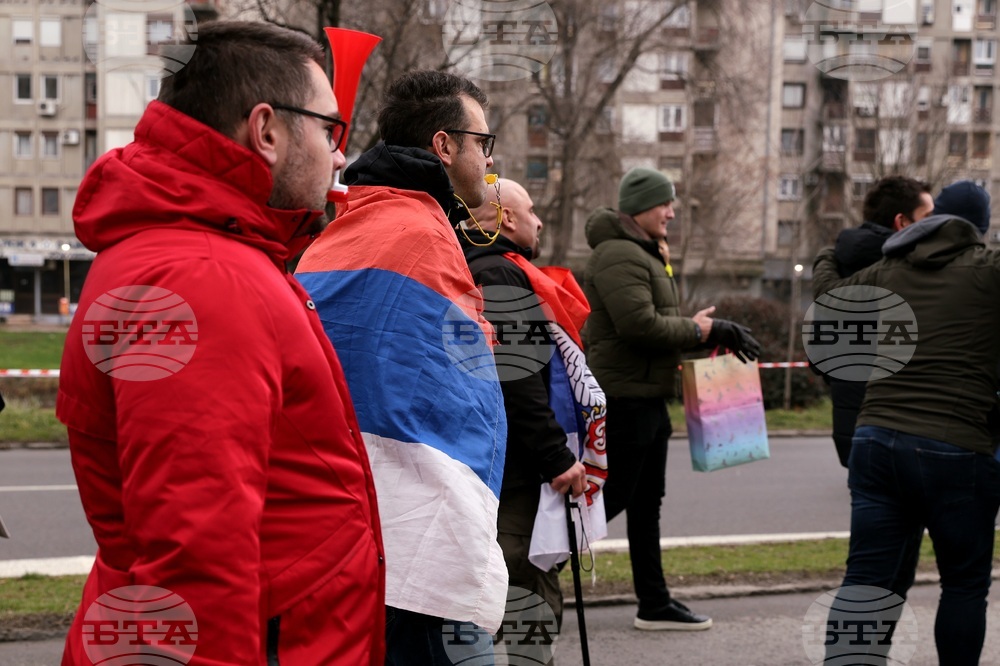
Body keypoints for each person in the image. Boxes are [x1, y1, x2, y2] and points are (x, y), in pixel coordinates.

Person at [57, 22, 384, 665]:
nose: (340, 155)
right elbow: (194, 557)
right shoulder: (206, 276)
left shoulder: (200, 250)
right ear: (266, 130)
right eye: (330, 130)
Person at [295, 71, 507, 664]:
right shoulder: (417, 233)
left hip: (341, 526)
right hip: (413, 535)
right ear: (444, 146)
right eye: (482, 143)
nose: (489, 160)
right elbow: (458, 397)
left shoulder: (349, 228)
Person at [812, 180, 1000, 665]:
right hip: (957, 446)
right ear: (979, 228)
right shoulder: (989, 269)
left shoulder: (892, 267)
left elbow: (829, 305)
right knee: (963, 585)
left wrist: (826, 260)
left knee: (866, 582)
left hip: (875, 443)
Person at [582, 167, 761, 631]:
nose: (672, 212)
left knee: (646, 505)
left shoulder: (644, 252)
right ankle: (528, 579)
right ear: (641, 207)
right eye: (666, 203)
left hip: (648, 397)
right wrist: (705, 330)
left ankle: (655, 603)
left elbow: (656, 321)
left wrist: (699, 328)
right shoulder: (620, 254)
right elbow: (638, 325)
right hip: (625, 400)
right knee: (610, 500)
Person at [461, 178, 591, 646]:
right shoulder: (499, 274)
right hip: (515, 467)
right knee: (525, 590)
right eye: (531, 211)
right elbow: (517, 379)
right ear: (508, 219)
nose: (538, 221)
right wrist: (556, 456)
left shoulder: (474, 267)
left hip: (495, 458)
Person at [820, 176, 933, 468]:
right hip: (904, 426)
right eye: (928, 217)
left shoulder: (839, 261)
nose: (935, 225)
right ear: (902, 222)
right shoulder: (911, 269)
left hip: (850, 421)